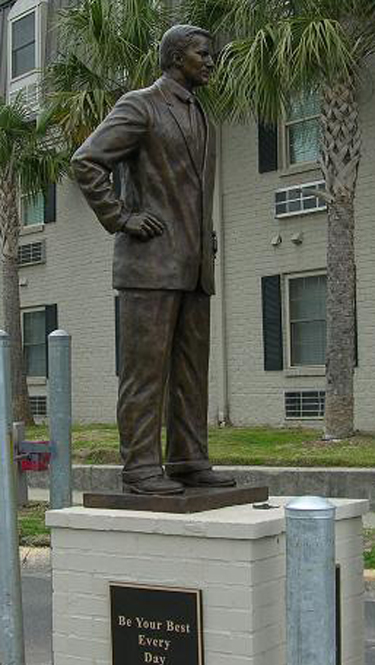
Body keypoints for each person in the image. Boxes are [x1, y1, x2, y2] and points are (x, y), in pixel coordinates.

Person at [71, 24, 236, 495]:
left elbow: (193, 190)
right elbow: (87, 162)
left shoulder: (201, 114)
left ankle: (187, 459)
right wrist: (122, 217)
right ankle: (141, 468)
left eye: (211, 54)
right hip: (149, 266)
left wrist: (207, 237)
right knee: (145, 374)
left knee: (191, 373)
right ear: (175, 58)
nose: (210, 61)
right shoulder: (140, 104)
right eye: (202, 54)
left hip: (194, 265)